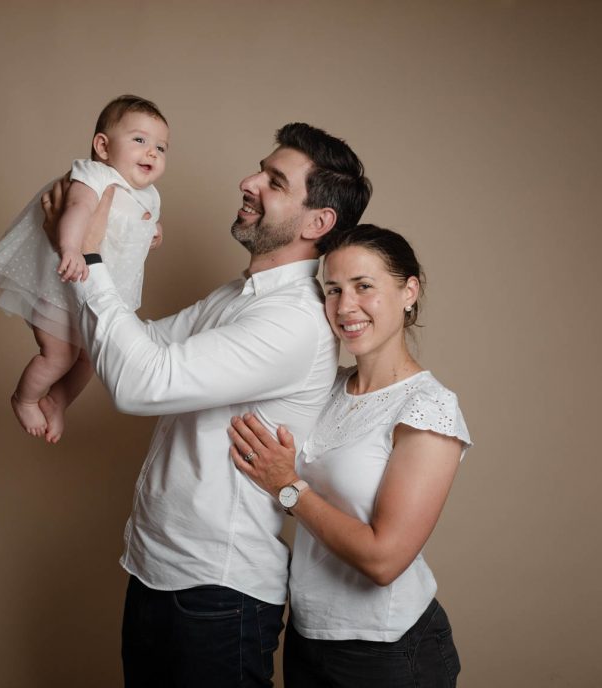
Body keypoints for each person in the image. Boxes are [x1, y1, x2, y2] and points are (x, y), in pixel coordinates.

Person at [41, 122, 371, 687]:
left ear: (317, 223)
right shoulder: (236, 298)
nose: (248, 182)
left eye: (273, 180)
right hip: (155, 573)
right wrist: (96, 249)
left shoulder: (293, 320)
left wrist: (89, 257)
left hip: (218, 597)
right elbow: (131, 347)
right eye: (258, 170)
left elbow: (140, 383)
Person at [228, 225, 472, 687]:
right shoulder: (329, 386)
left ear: (409, 291)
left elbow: (384, 560)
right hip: (306, 635)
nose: (345, 307)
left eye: (364, 287)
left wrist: (287, 487)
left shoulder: (428, 407)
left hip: (389, 651)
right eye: (333, 290)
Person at [0, 95, 168, 443]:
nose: (153, 152)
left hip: (96, 291)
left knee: (89, 359)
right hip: (64, 282)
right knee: (59, 355)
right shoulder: (95, 175)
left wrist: (153, 231)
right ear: (103, 146)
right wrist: (69, 248)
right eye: (140, 140)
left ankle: (57, 400)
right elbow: (78, 211)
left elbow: (143, 220)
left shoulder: (149, 194)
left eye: (161, 147)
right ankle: (25, 398)